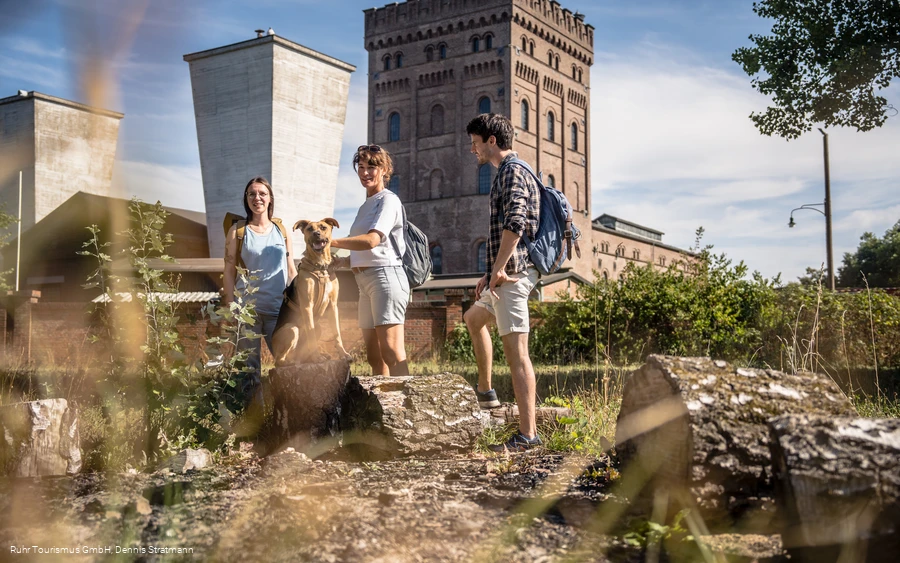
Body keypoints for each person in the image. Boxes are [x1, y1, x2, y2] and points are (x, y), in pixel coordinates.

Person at [464, 113, 542, 452]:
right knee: (472, 318)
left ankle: (528, 436)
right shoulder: (508, 172)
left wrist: (498, 270)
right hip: (502, 273)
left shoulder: (511, 171)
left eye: (475, 143)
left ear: (491, 141)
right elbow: (507, 232)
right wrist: (489, 273)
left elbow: (516, 223)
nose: (472, 150)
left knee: (517, 354)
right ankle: (487, 392)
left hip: (514, 275)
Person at [331, 145, 410, 376]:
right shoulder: (366, 205)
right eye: (361, 167)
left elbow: (372, 241)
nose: (365, 173)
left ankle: (406, 405)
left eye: (371, 167)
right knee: (374, 356)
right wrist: (342, 263)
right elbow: (363, 251)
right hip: (364, 282)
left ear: (384, 169)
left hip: (385, 277)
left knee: (392, 352)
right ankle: (383, 406)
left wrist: (331, 242)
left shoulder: (388, 201)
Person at [223, 176, 298, 396]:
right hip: (247, 313)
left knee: (289, 366)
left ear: (270, 198)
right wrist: (230, 307)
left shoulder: (281, 231)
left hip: (278, 312)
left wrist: (299, 306)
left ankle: (289, 423)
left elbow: (291, 269)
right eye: (252, 194)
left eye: (262, 193)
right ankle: (253, 426)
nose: (257, 198)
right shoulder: (238, 231)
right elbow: (228, 272)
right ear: (246, 199)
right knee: (248, 374)